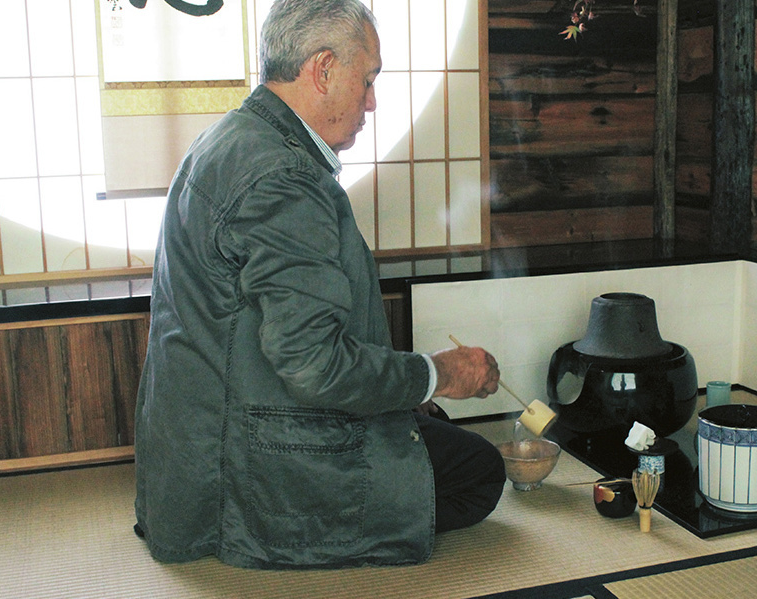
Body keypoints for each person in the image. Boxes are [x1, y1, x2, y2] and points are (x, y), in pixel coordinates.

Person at [133, 0, 506, 570]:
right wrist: (440, 373)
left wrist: (412, 390)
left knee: (422, 425)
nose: (373, 102)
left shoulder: (228, 137)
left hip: (196, 447)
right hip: (249, 462)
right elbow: (314, 367)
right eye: (369, 79)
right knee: (482, 472)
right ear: (324, 69)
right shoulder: (283, 177)